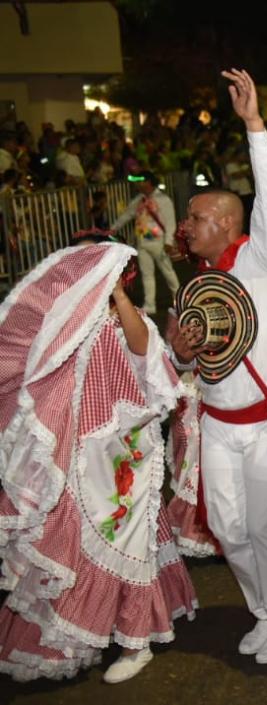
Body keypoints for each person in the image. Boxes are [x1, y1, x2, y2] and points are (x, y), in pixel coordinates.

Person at [0, 235, 196, 683]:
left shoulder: (122, 319)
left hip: (122, 456)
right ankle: (76, 636)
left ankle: (136, 640)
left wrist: (119, 296)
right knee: (71, 539)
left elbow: (147, 355)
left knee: (125, 541)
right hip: (76, 454)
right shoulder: (60, 324)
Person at [166, 69, 267, 664]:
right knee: (227, 527)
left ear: (225, 222)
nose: (185, 226)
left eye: (195, 217)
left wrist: (254, 125)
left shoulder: (259, 255)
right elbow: (186, 356)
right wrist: (179, 348)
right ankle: (265, 613)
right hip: (219, 422)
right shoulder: (196, 280)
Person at [110, 171, 180, 314]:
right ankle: (150, 304)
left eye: (141, 181)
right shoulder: (138, 200)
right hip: (142, 242)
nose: (138, 184)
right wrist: (113, 229)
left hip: (159, 241)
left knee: (168, 272)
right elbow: (127, 215)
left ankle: (180, 299)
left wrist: (168, 241)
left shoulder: (163, 199)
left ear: (150, 182)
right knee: (146, 274)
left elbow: (170, 222)